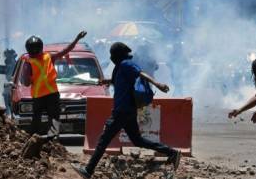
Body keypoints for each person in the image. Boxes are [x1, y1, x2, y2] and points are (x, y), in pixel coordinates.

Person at [72, 42, 181, 179]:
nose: (111, 57)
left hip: (122, 110)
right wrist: (107, 81)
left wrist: (157, 84)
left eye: (112, 54)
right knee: (137, 140)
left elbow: (141, 73)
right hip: (127, 110)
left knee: (104, 140)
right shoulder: (119, 67)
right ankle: (172, 152)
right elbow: (120, 81)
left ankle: (88, 170)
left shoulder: (126, 64)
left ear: (117, 55)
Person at [21, 31, 87, 138]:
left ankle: (33, 138)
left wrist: (27, 75)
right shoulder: (48, 57)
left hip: (39, 96)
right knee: (54, 118)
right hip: (52, 94)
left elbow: (26, 83)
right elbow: (66, 51)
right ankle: (53, 139)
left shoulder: (28, 62)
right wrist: (77, 39)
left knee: (37, 118)